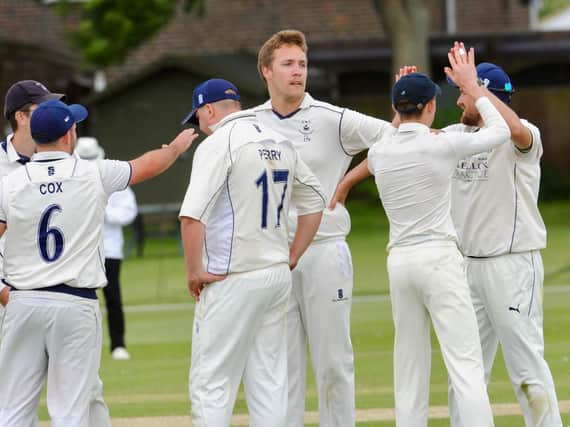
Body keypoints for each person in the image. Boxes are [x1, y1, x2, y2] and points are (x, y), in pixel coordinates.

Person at [0, 98, 197, 426]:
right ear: (67, 136)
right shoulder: (93, 172)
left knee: (13, 411)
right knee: (71, 411)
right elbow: (147, 164)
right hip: (75, 303)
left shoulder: (9, 184)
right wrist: (175, 149)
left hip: (23, 302)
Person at [252, 29, 398, 426]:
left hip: (324, 250)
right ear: (267, 71)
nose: (297, 72)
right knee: (282, 368)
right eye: (287, 64)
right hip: (273, 257)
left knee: (334, 362)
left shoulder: (332, 119)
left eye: (302, 64)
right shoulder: (250, 124)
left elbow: (398, 137)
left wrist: (348, 180)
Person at [367, 46, 511, 426]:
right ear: (431, 107)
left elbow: (392, 133)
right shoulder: (440, 144)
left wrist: (400, 102)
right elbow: (499, 131)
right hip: (438, 259)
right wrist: (473, 88)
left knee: (409, 366)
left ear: (397, 109)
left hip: (399, 263)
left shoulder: (380, 152)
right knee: (466, 365)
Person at [179, 78, 325, 426]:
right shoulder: (279, 141)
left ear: (209, 110)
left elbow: (191, 217)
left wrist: (194, 272)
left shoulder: (219, 144)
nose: (200, 125)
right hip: (275, 275)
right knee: (270, 383)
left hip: (232, 276)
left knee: (211, 383)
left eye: (198, 116)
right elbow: (316, 201)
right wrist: (293, 254)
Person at [445, 42, 563, 427]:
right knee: (464, 375)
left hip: (511, 267)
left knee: (527, 371)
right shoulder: (460, 134)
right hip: (468, 269)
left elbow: (513, 129)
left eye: (464, 91)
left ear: (486, 97)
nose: (460, 99)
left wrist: (475, 88)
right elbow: (417, 140)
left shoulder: (523, 135)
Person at [0, 80, 64, 312]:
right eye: (42, 108)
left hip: (53, 292)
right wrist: (3, 291)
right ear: (21, 117)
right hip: (9, 294)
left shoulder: (62, 162)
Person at [75, 136, 139, 361]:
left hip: (109, 249)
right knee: (79, 300)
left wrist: (105, 214)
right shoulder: (72, 180)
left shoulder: (112, 178)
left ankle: (118, 345)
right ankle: (81, 349)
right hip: (81, 250)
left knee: (112, 297)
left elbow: (129, 212)